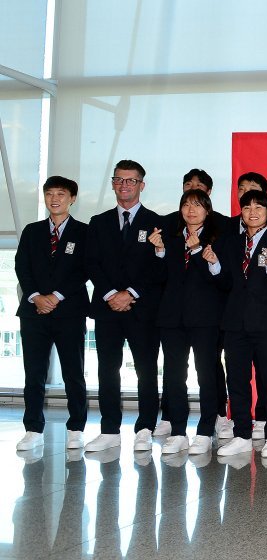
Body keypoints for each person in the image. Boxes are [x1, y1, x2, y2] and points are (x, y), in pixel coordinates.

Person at [83, 160, 166, 453]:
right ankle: (109, 430)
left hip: (142, 309)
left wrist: (130, 293)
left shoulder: (157, 222)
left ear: (142, 185)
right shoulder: (98, 222)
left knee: (146, 369)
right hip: (107, 308)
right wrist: (110, 294)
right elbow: (91, 262)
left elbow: (157, 269)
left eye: (131, 180)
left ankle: (145, 428)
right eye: (119, 180)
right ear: (113, 184)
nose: (124, 185)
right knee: (108, 369)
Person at [209, 189, 267, 459]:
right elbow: (225, 284)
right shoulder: (230, 242)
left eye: (258, 207)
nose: (252, 212)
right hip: (235, 323)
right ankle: (242, 434)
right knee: (237, 381)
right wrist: (214, 265)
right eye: (247, 208)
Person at [155, 168, 234, 439]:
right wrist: (159, 252)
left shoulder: (220, 239)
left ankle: (205, 429)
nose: (191, 210)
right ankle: (177, 431)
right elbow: (159, 278)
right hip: (172, 317)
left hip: (206, 318)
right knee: (174, 374)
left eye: (198, 205)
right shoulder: (171, 238)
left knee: (206, 374)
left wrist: (201, 253)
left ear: (207, 210)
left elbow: (224, 281)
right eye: (186, 205)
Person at [14, 177, 89, 452]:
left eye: (61, 194)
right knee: (33, 374)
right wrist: (36, 296)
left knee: (73, 373)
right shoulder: (32, 231)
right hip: (34, 312)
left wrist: (56, 296)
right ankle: (33, 429)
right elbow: (22, 266)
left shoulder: (84, 232)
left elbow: (84, 269)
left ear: (72, 198)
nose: (54, 199)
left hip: (69, 311)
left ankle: (76, 428)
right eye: (49, 194)